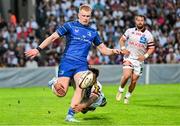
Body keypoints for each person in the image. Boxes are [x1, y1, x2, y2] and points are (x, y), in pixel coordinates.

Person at [25, 4, 120, 122]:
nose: (85, 18)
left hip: (81, 65)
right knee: (61, 93)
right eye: (83, 15)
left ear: (91, 17)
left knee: (80, 88)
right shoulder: (69, 26)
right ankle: (54, 83)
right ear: (78, 15)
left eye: (88, 16)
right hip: (67, 62)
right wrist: (37, 49)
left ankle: (70, 115)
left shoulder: (93, 32)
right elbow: (53, 37)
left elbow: (103, 50)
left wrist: (113, 51)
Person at [116, 15, 155, 104]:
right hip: (129, 57)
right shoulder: (129, 31)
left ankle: (127, 96)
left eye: (142, 20)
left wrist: (145, 56)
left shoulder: (148, 35)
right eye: (138, 20)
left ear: (144, 22)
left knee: (133, 81)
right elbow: (122, 40)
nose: (140, 22)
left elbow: (152, 48)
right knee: (126, 75)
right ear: (135, 21)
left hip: (139, 61)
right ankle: (120, 90)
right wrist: (123, 49)